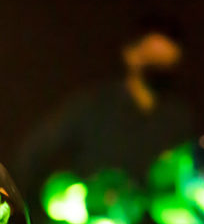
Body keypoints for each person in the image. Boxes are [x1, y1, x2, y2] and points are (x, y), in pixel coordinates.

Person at [14, 15, 193, 196]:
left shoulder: (179, 119)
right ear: (131, 54)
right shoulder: (92, 106)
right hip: (94, 209)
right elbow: (35, 153)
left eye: (167, 60)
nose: (161, 65)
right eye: (153, 56)